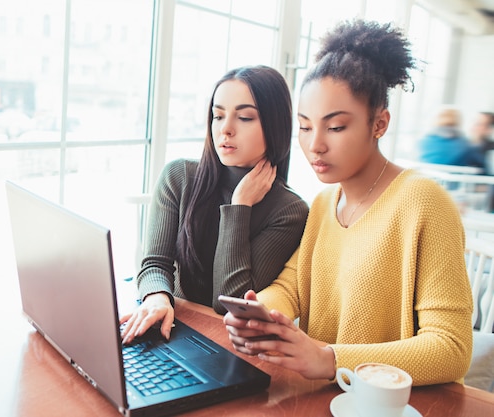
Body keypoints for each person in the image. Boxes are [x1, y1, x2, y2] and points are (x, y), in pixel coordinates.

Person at [223, 20, 473, 387]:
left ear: (379, 123)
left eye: (335, 127)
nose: (315, 145)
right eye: (305, 127)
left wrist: (330, 359)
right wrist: (261, 312)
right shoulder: (324, 203)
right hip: (328, 397)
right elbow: (293, 285)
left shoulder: (424, 202)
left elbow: (452, 348)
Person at [121, 65, 309, 344]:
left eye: (244, 117)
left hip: (226, 346)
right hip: (169, 327)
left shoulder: (290, 210)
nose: (226, 129)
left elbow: (229, 302)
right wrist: (157, 297)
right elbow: (154, 263)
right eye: (218, 115)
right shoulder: (179, 176)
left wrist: (239, 207)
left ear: (275, 126)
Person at [419, 106, 484, 167]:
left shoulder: (422, 141)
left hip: (423, 178)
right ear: (459, 121)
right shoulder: (467, 144)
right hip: (455, 178)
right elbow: (481, 165)